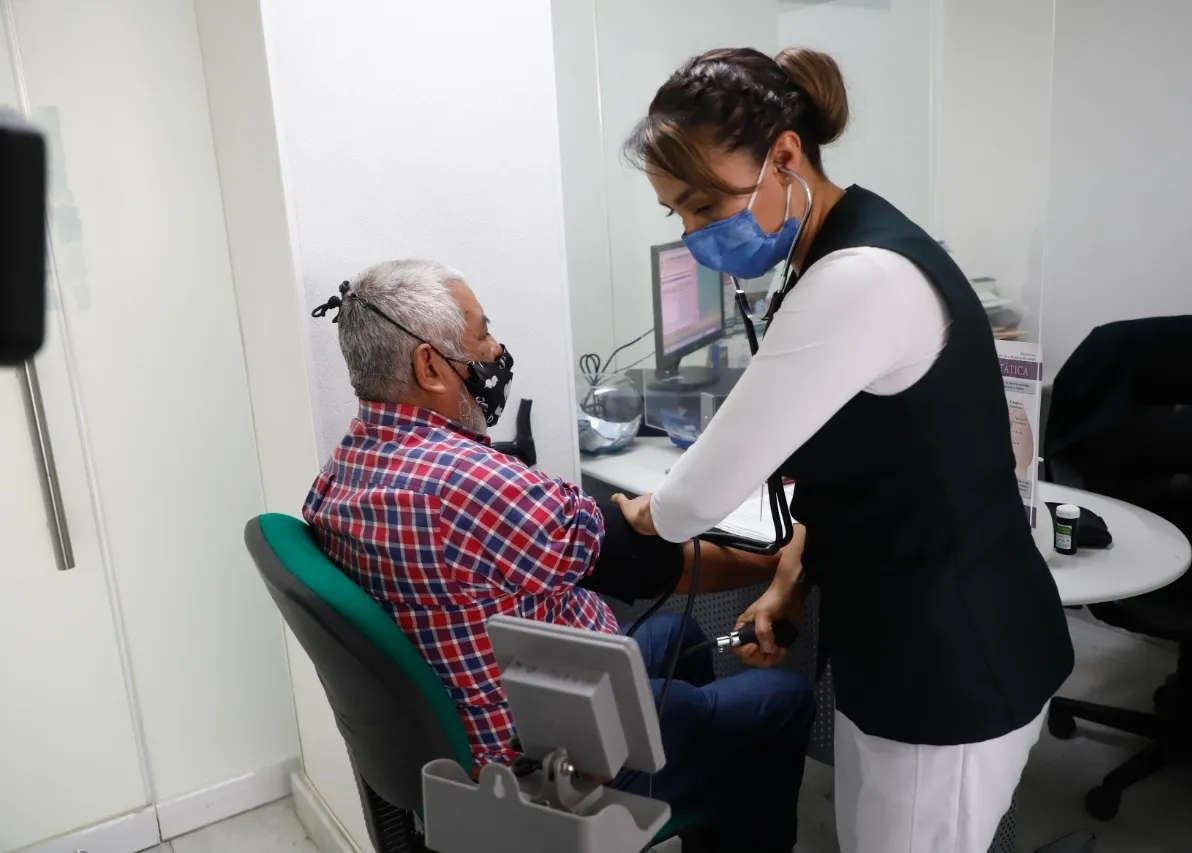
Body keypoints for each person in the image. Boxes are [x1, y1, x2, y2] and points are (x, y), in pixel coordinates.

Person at [612, 48, 1075, 853]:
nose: (693, 236)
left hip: (953, 669)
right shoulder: (840, 247)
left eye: (704, 204)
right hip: (897, 645)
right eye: (675, 215)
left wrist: (640, 517)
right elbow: (858, 469)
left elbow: (695, 496)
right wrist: (788, 582)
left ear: (785, 156)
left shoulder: (859, 277)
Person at [303, 259, 814, 852]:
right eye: (481, 334)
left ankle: (692, 797)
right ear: (429, 365)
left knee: (683, 637)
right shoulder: (473, 484)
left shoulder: (342, 471)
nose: (495, 349)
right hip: (553, 756)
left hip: (497, 708)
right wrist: (782, 569)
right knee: (782, 699)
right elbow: (650, 564)